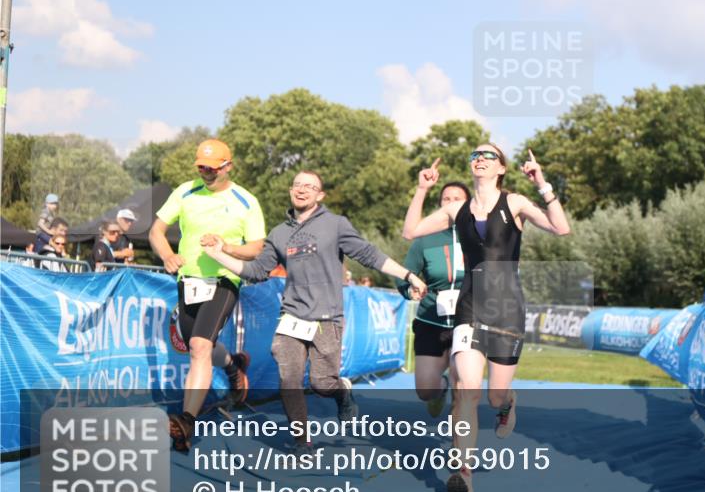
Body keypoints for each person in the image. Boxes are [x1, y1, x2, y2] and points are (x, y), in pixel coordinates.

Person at [203, 170, 427, 450]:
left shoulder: (335, 225)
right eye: (297, 185)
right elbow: (257, 271)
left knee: (322, 383)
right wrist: (219, 256)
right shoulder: (279, 233)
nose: (302, 189)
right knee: (289, 378)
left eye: (309, 186)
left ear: (320, 195)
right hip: (291, 317)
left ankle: (342, 392)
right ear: (290, 191)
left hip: (326, 319)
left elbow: (370, 256)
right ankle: (302, 440)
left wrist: (409, 276)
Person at [402, 144, 571, 492]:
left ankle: (507, 401)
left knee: (493, 395)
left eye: (488, 156)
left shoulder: (515, 203)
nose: (479, 159)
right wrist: (422, 190)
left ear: (502, 168)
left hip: (507, 307)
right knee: (466, 388)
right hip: (470, 305)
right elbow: (410, 231)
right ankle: (463, 473)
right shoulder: (455, 209)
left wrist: (542, 183)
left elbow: (561, 228)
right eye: (475, 155)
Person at [149, 139, 266, 452]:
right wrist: (167, 255)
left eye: (212, 168)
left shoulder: (246, 200)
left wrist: (225, 247)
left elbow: (256, 247)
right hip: (189, 281)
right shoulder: (185, 191)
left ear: (228, 165)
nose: (206, 173)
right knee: (198, 348)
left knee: (200, 346)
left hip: (224, 280)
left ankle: (186, 420)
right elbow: (156, 231)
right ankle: (232, 365)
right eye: (201, 167)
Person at [397, 181, 470, 418]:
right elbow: (404, 276)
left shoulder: (480, 236)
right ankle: (441, 389)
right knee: (425, 390)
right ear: (440, 205)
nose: (451, 203)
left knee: (465, 388)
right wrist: (410, 290)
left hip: (468, 321)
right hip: (431, 320)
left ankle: (459, 448)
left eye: (457, 199)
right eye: (446, 199)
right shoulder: (425, 239)